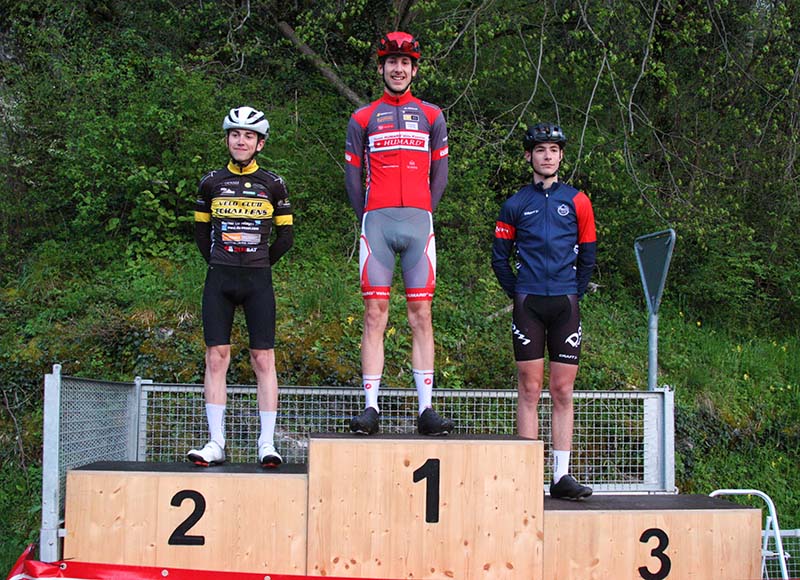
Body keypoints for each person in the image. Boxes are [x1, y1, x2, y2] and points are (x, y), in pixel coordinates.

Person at [344, 31, 453, 436]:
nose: (398, 68)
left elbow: (440, 173)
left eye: (405, 63)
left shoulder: (432, 115)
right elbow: (352, 176)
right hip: (377, 223)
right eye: (391, 61)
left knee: (421, 314)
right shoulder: (362, 117)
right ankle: (370, 407)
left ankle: (426, 409)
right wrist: (367, 217)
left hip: (419, 223)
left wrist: (425, 212)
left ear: (414, 70)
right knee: (375, 314)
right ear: (381, 68)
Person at [491, 122, 597, 500]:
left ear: (561, 156)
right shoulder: (515, 204)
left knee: (563, 389)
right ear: (529, 156)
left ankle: (561, 476)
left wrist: (574, 291)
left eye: (553, 150)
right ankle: (527, 477)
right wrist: (519, 291)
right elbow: (500, 258)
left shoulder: (579, 201)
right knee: (530, 388)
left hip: (565, 303)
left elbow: (589, 255)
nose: (547, 156)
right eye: (540, 150)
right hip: (529, 304)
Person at [187, 106, 293, 468]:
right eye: (235, 134)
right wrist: (220, 262)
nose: (241, 141)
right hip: (219, 278)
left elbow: (286, 237)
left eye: (249, 136)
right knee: (216, 356)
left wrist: (259, 263)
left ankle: (267, 442)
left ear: (260, 143)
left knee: (263, 358)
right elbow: (201, 233)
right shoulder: (211, 182)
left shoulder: (274, 184)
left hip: (258, 279)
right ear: (227, 140)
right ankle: (216, 442)